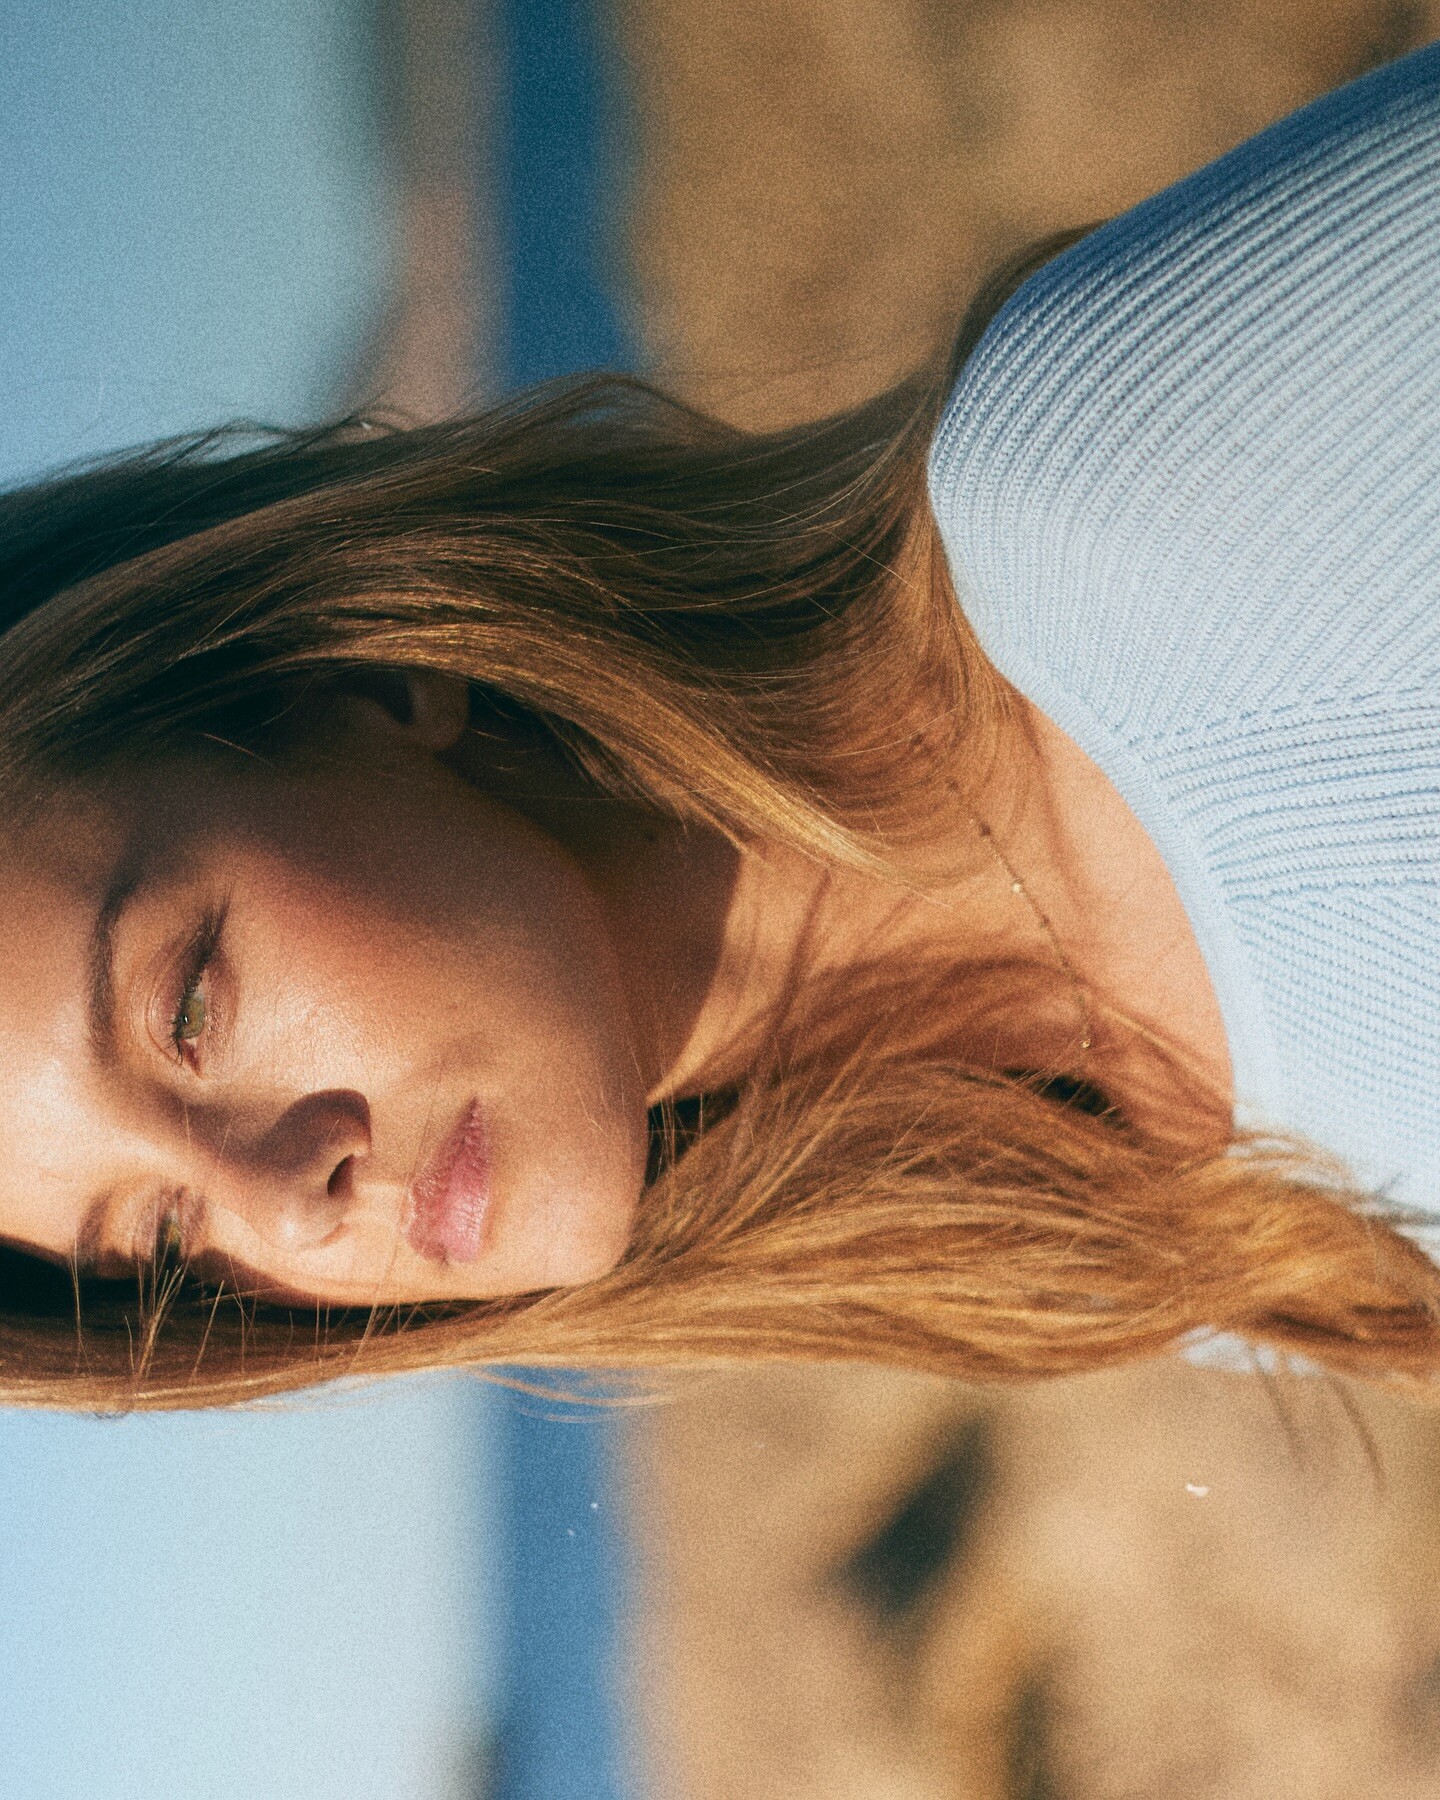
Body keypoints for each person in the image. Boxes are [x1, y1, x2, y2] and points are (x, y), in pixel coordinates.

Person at [1, 43, 1437, 1411]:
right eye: (165, 1242)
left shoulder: (1103, 498)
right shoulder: (1100, 1240)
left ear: (366, 680)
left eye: (188, 1006)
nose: (285, 1207)